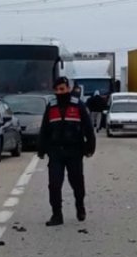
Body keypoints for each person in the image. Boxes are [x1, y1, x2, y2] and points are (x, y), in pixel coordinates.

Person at [39, 77, 96, 226]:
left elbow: (88, 128)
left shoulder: (78, 106)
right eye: (57, 90)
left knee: (76, 182)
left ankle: (80, 206)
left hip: (74, 151)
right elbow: (44, 129)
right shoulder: (51, 107)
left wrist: (90, 147)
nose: (59, 92)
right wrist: (41, 148)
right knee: (54, 184)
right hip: (56, 151)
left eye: (62, 89)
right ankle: (57, 215)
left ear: (68, 89)